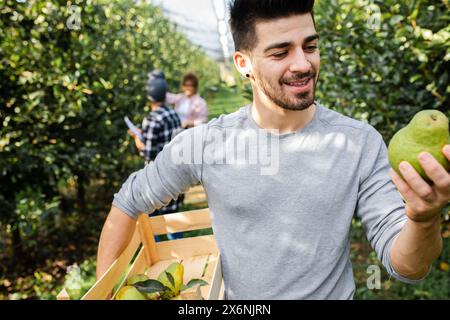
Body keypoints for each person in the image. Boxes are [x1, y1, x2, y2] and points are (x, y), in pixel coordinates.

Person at [97, 1, 450, 299]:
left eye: (309, 46)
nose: (302, 64)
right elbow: (128, 202)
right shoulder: (207, 143)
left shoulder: (357, 142)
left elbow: (408, 267)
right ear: (243, 64)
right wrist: (104, 291)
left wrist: (422, 218)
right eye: (280, 52)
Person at [128, 70, 184, 240]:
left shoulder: (152, 119)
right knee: (173, 221)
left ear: (149, 97)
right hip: (176, 174)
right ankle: (182, 257)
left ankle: (161, 256)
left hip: (158, 180)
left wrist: (137, 138)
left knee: (153, 222)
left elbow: (148, 153)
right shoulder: (174, 114)